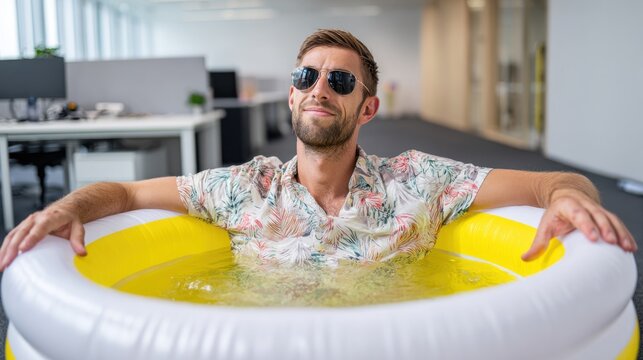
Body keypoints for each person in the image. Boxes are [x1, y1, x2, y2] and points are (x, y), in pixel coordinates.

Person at [0, 29, 636, 270]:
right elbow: (130, 193)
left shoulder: (420, 180)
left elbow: (555, 184)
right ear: (291, 98)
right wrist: (70, 206)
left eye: (340, 80)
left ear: (368, 107)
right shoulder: (243, 188)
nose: (318, 90)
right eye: (306, 77)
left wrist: (571, 200)